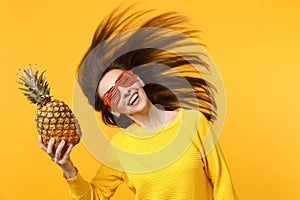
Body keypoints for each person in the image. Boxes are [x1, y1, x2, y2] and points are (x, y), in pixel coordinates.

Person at [38, 5, 237, 200]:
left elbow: (222, 182)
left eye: (124, 80)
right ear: (114, 111)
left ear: (138, 79)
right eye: (113, 95)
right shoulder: (120, 147)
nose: (124, 92)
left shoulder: (193, 122)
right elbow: (95, 196)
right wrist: (67, 168)